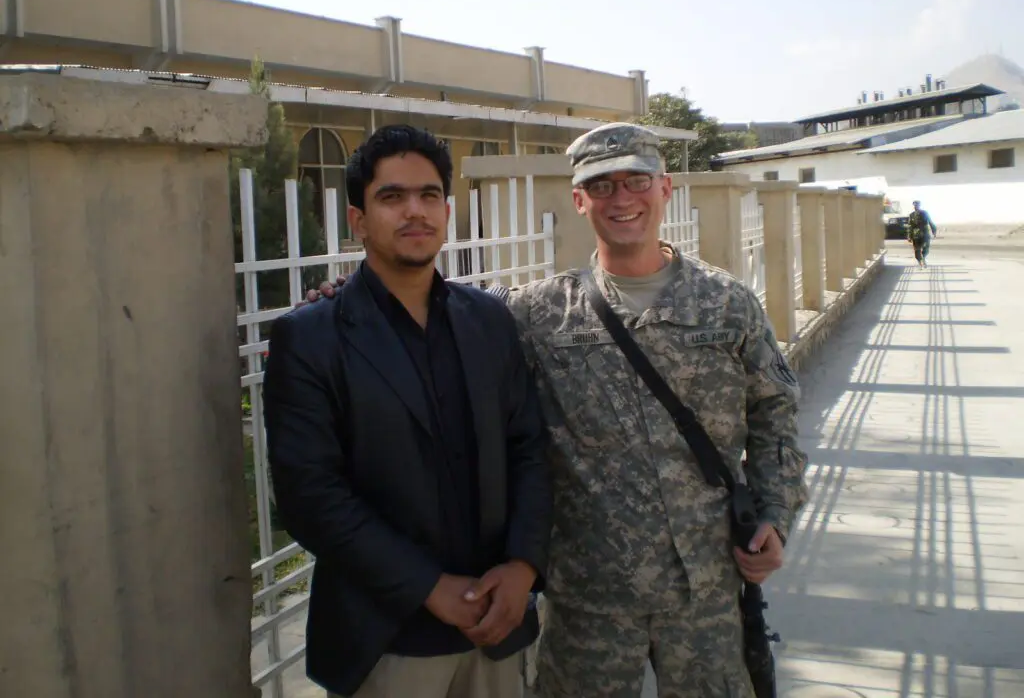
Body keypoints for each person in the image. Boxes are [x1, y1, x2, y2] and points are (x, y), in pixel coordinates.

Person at [302, 122, 809, 698]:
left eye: (636, 182)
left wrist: (773, 513)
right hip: (590, 598)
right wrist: (345, 295)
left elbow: (774, 413)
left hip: (709, 586)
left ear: (665, 189)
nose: (621, 200)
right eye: (602, 187)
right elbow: (434, 307)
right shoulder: (539, 313)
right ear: (579, 200)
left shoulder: (728, 304)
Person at [263, 124, 553, 698]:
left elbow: (530, 449)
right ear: (358, 220)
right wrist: (430, 587)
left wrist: (523, 565)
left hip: (496, 629)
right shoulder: (312, 337)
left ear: (446, 210)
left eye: (427, 196)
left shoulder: (489, 320)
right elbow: (310, 495)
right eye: (391, 197)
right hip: (386, 639)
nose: (414, 212)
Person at [907, 200, 938, 267]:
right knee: (917, 249)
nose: (916, 206)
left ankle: (923, 258)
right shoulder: (911, 215)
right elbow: (910, 226)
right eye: (915, 205)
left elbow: (930, 222)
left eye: (917, 205)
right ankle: (919, 261)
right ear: (913, 206)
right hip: (916, 234)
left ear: (919, 205)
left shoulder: (925, 213)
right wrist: (909, 236)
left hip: (925, 232)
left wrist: (934, 231)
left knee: (926, 247)